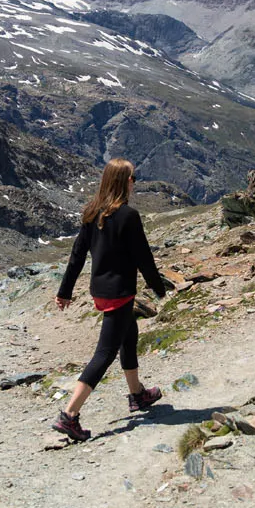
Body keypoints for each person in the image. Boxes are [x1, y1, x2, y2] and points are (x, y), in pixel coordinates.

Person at [52, 158, 168, 442]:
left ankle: (137, 395)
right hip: (119, 292)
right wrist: (159, 288)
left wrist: (65, 291)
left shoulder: (92, 213)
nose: (134, 182)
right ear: (124, 182)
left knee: (129, 334)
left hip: (102, 291)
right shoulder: (128, 216)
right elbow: (144, 257)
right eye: (133, 178)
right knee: (104, 354)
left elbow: (77, 254)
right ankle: (70, 415)